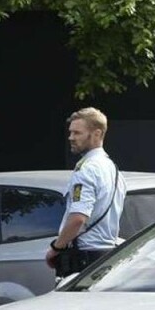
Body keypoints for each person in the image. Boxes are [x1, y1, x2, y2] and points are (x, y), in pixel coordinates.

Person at [46, 107, 125, 277]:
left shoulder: (86, 170)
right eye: (70, 133)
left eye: (77, 133)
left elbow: (78, 218)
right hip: (107, 255)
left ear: (97, 134)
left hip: (85, 258)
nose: (71, 138)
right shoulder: (113, 169)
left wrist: (55, 248)